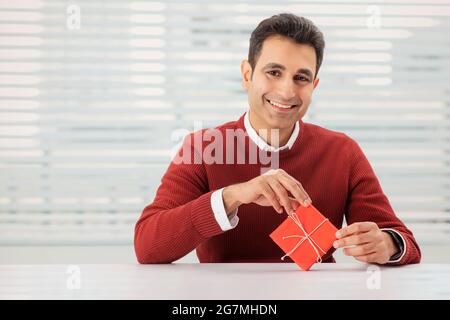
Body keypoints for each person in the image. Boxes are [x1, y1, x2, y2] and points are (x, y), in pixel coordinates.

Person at [134, 13, 421, 265]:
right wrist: (233, 196)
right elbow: (147, 245)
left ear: (314, 85)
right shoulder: (202, 148)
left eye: (301, 78)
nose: (286, 91)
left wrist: (387, 244)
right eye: (274, 72)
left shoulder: (342, 152)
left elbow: (404, 242)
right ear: (247, 74)